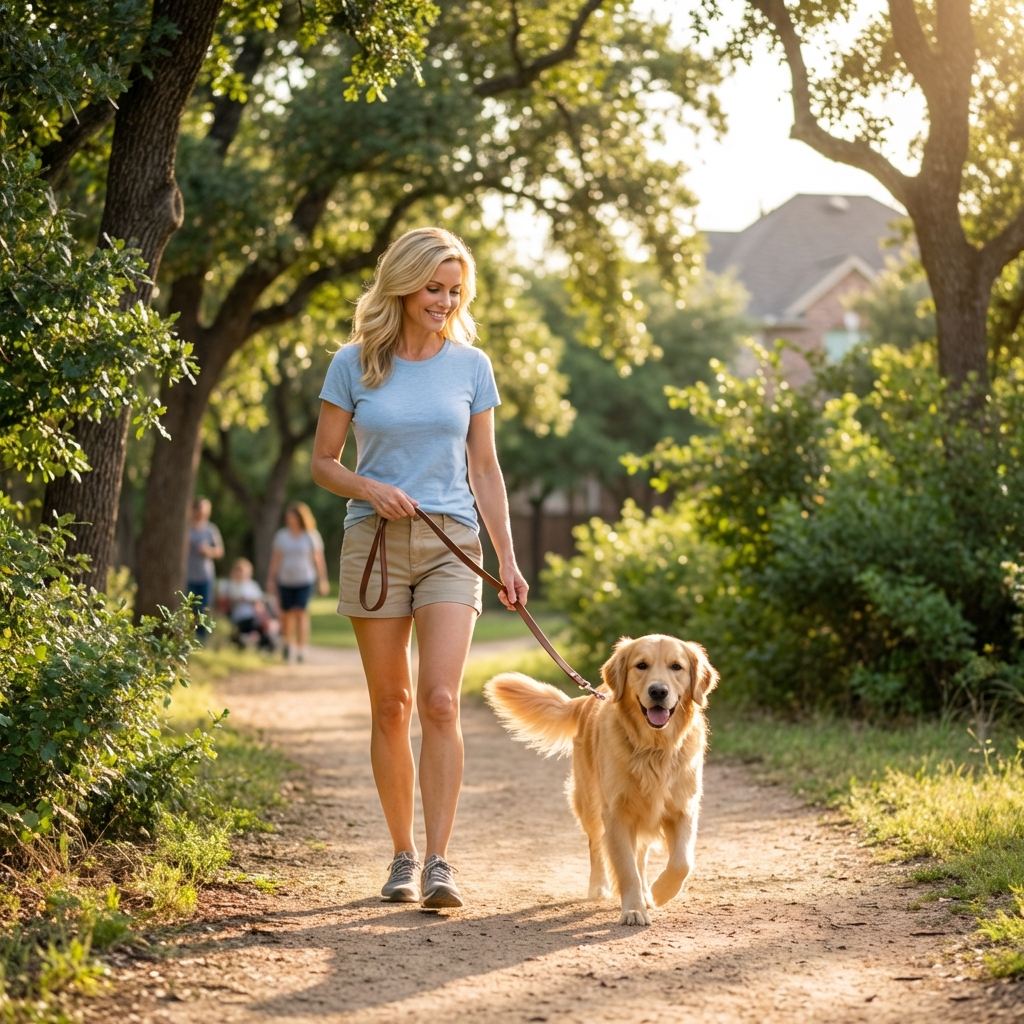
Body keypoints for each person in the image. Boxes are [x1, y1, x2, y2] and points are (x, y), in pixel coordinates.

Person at [311, 226, 528, 910]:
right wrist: (369, 488)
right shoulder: (353, 363)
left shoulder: (471, 366)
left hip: (450, 543)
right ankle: (401, 855)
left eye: (454, 289)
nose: (444, 300)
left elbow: (486, 468)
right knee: (391, 705)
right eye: (433, 287)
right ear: (403, 285)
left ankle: (440, 861)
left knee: (438, 700)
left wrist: (508, 558)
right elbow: (323, 462)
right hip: (373, 541)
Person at [267, 502, 329, 664]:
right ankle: (288, 644)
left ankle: (302, 647)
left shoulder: (311, 536)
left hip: (305, 580)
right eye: (288, 517)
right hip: (285, 580)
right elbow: (276, 559)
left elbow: (318, 560)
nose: (289, 520)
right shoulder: (282, 536)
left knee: (301, 612)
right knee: (286, 614)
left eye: (292, 517)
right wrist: (271, 579)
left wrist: (323, 580)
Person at [185, 497, 224, 639]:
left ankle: (201, 639)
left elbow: (220, 551)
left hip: (205, 575)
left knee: (204, 608)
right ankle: (188, 636)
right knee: (189, 608)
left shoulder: (211, 529)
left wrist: (208, 551)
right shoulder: (186, 528)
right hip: (188, 575)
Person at [218, 558, 277, 651]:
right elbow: (224, 601)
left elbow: (260, 603)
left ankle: (265, 641)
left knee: (265, 619)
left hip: (254, 616)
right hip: (239, 617)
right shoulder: (228, 585)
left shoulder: (252, 585)